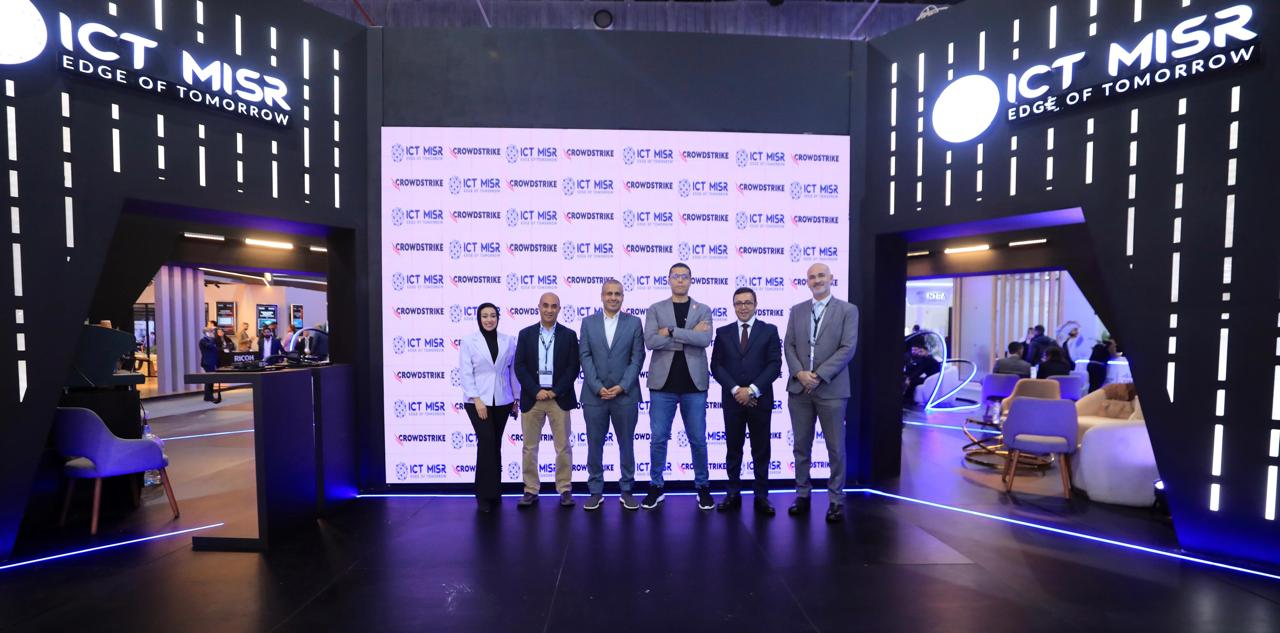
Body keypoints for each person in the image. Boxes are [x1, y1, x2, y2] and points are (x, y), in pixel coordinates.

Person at [784, 262, 858, 523]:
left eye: (821, 276)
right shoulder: (797, 310)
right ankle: (802, 494)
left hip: (832, 389)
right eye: (812, 277)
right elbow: (789, 345)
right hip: (799, 389)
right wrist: (800, 373)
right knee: (801, 447)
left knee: (835, 448)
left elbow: (847, 348)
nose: (817, 280)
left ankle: (836, 500)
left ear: (830, 278)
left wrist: (818, 375)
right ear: (807, 281)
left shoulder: (848, 310)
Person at [642, 262, 715, 511]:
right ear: (669, 279)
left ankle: (702, 487)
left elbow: (704, 340)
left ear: (691, 280)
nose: (680, 280)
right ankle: (656, 486)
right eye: (676, 276)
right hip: (662, 387)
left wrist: (672, 331)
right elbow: (651, 341)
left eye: (685, 276)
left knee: (698, 440)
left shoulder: (703, 309)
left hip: (694, 386)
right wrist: (689, 334)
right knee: (658, 439)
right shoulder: (656, 309)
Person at [710, 287, 781, 515]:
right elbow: (716, 366)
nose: (743, 307)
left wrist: (751, 391)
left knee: (761, 450)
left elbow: (774, 365)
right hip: (733, 401)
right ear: (733, 306)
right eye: (738, 303)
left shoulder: (769, 331)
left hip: (760, 400)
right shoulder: (723, 332)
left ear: (755, 304)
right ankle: (733, 493)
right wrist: (736, 390)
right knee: (733, 449)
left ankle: (761, 496)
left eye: (747, 302)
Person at [577, 280, 646, 511]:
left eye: (617, 294)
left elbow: (637, 357)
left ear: (623, 297)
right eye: (609, 293)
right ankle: (596, 491)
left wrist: (622, 386)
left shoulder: (634, 323)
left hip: (625, 396)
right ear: (602, 296)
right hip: (594, 396)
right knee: (594, 445)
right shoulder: (588, 323)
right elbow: (585, 356)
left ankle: (627, 489)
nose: (613, 297)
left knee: (626, 444)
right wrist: (597, 386)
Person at [513, 293, 580, 508]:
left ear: (559, 309)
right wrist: (536, 390)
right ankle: (530, 489)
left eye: (553, 306)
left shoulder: (569, 335)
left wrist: (555, 391)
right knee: (529, 447)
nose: (549, 310)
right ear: (539, 307)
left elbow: (573, 367)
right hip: (532, 398)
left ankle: (565, 489)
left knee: (563, 447)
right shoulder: (525, 334)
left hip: (559, 398)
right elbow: (519, 366)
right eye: (545, 306)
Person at [459, 303, 518, 513]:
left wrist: (516, 398)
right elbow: (465, 372)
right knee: (486, 443)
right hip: (477, 401)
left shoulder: (508, 341)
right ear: (479, 318)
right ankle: (483, 495)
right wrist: (476, 399)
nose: (489, 320)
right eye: (484, 316)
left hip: (503, 400)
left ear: (498, 318)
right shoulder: (468, 341)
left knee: (495, 445)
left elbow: (512, 371)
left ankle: (495, 492)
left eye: (493, 315)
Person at [198, 327, 221, 403]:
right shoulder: (203, 341)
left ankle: (208, 396)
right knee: (209, 380)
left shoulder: (211, 340)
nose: (212, 334)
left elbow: (215, 349)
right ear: (206, 333)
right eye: (211, 332)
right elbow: (209, 346)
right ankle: (209, 396)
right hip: (207, 362)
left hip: (213, 362)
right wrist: (212, 339)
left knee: (211, 380)